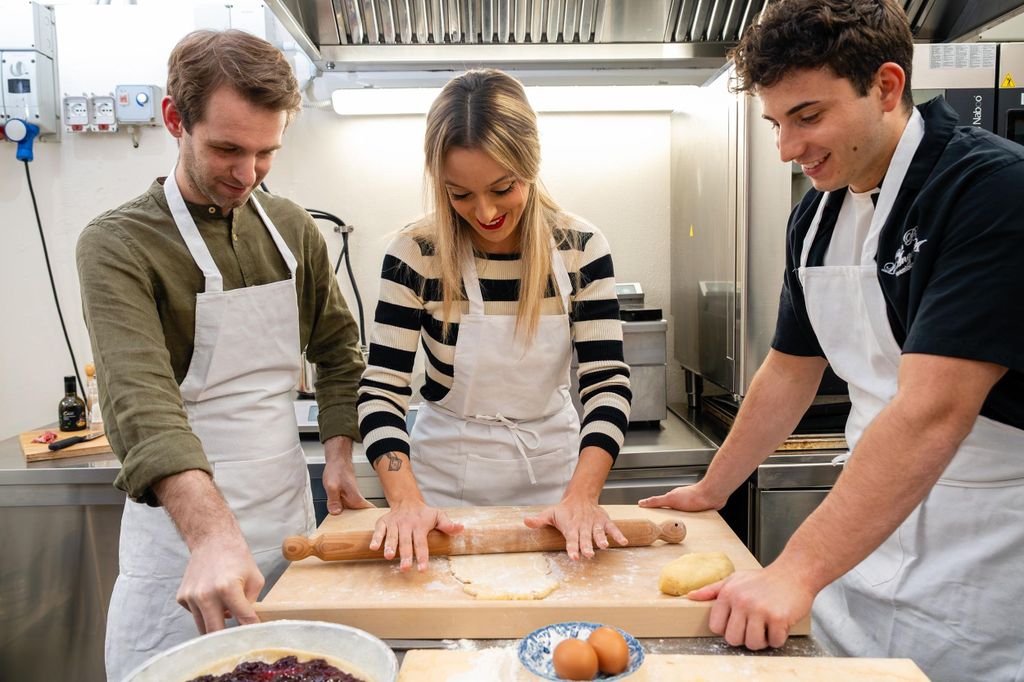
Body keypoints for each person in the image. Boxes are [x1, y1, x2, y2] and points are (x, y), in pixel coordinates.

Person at [640, 1, 1024, 679]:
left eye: (808, 116)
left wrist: (795, 570)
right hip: (866, 542)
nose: (788, 149)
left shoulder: (990, 190)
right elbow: (789, 370)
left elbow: (933, 410)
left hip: (987, 560)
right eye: (776, 123)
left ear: (886, 87)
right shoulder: (816, 217)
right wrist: (714, 487)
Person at [76, 29, 369, 680]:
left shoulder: (292, 229)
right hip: (181, 554)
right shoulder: (118, 244)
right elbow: (140, 404)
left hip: (289, 535)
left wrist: (341, 453)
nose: (247, 174)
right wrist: (210, 536)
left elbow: (339, 349)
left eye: (267, 153)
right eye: (228, 149)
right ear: (175, 120)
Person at [357, 69, 633, 571]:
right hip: (441, 488)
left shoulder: (580, 249)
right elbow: (381, 390)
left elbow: (607, 382)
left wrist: (582, 497)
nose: (483, 212)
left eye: (502, 188)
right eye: (459, 195)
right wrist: (406, 503)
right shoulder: (416, 254)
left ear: (530, 165)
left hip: (554, 483)